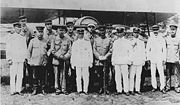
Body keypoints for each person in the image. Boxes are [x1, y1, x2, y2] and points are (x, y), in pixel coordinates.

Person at [6, 22, 28, 95]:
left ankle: (18, 90)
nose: (18, 29)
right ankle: (12, 90)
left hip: (20, 59)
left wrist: (25, 58)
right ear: (14, 28)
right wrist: (9, 59)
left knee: (20, 75)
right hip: (13, 59)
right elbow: (8, 48)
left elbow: (25, 48)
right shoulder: (10, 37)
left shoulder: (23, 37)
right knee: (13, 75)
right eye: (17, 27)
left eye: (19, 27)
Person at [71, 25, 93, 94]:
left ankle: (85, 90)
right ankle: (79, 90)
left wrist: (91, 62)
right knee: (78, 77)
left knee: (86, 76)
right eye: (79, 33)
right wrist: (72, 63)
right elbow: (73, 54)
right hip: (77, 62)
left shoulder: (87, 42)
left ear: (83, 34)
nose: (80, 35)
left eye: (82, 33)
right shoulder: (75, 43)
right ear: (77, 34)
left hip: (85, 62)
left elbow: (90, 53)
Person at [50, 25, 71, 95]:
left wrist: (65, 57)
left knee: (64, 74)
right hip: (56, 60)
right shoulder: (54, 39)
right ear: (57, 31)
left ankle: (64, 88)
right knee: (57, 74)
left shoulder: (68, 40)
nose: (61, 32)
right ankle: (57, 89)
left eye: (62, 30)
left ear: (65, 31)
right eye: (59, 30)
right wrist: (59, 56)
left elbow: (70, 50)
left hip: (65, 60)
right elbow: (52, 50)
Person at [146, 25, 166, 94]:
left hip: (160, 58)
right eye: (154, 30)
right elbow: (148, 49)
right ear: (152, 31)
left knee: (161, 73)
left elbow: (164, 49)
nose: (155, 32)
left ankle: (162, 87)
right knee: (153, 73)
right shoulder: (150, 38)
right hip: (152, 58)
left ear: (158, 30)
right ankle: (154, 87)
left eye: (156, 30)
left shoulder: (162, 38)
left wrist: (164, 59)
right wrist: (148, 58)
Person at [28, 26, 48, 95]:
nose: (40, 34)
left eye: (42, 32)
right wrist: (29, 61)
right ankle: (35, 89)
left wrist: (46, 60)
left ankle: (43, 89)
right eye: (39, 32)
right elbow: (29, 52)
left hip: (42, 62)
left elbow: (47, 52)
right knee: (35, 77)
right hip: (34, 62)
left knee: (43, 76)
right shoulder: (32, 41)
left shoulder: (45, 41)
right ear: (36, 33)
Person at [111, 27, 132, 96]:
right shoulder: (115, 42)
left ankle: (126, 90)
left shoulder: (127, 42)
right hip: (117, 61)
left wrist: (129, 61)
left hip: (124, 61)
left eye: (121, 33)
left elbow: (130, 52)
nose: (119, 34)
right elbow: (114, 52)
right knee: (117, 76)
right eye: (118, 33)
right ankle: (119, 90)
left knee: (125, 76)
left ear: (123, 33)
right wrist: (113, 61)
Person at [93, 25, 112, 94]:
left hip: (106, 61)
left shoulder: (109, 40)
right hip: (98, 61)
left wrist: (106, 56)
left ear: (105, 31)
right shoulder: (96, 40)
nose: (102, 32)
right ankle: (100, 87)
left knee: (106, 74)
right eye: (100, 31)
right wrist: (99, 57)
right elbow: (94, 50)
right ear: (98, 31)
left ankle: (106, 88)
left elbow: (111, 50)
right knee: (99, 75)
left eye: (103, 30)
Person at [19, 15, 34, 93]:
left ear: (26, 21)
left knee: (30, 70)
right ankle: (23, 86)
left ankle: (31, 86)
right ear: (19, 22)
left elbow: (32, 40)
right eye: (22, 21)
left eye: (24, 21)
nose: (23, 22)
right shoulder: (18, 30)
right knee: (22, 70)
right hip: (21, 52)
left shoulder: (30, 30)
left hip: (28, 52)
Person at [129, 28, 146, 95]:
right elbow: (129, 52)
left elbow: (143, 52)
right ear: (133, 33)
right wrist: (130, 60)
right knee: (132, 76)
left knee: (138, 76)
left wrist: (143, 60)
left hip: (139, 60)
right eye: (135, 32)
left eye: (137, 33)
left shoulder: (141, 42)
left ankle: (137, 89)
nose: (136, 34)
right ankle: (131, 89)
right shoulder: (130, 41)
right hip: (133, 61)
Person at [165, 23, 180, 93]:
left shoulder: (178, 39)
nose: (172, 31)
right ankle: (168, 87)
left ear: (176, 30)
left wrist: (179, 59)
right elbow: (164, 49)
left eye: (174, 30)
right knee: (168, 74)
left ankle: (176, 87)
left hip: (175, 60)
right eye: (171, 30)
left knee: (176, 74)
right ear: (169, 30)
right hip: (168, 59)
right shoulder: (167, 39)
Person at [64, 21, 77, 93]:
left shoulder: (76, 36)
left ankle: (72, 86)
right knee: (65, 72)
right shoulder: (65, 36)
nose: (70, 28)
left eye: (71, 27)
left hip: (74, 56)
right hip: (67, 56)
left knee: (73, 72)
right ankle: (66, 87)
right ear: (66, 28)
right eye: (68, 27)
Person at [43, 20, 56, 92]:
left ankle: (51, 85)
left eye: (50, 24)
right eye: (47, 24)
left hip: (51, 53)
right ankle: (44, 86)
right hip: (44, 53)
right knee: (44, 70)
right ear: (45, 25)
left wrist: (50, 51)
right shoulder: (43, 32)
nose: (49, 26)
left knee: (51, 70)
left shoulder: (54, 32)